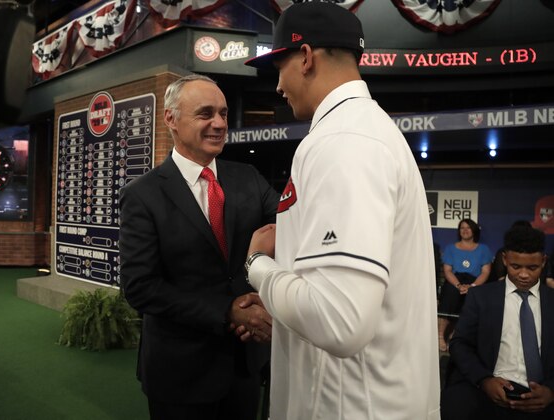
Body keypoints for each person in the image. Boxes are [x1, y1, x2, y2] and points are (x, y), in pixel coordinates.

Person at [243, 2, 440, 419]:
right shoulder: (366, 129)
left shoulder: (344, 139)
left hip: (352, 406)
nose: (277, 86)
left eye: (280, 66)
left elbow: (339, 322)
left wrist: (258, 265)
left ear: (306, 57)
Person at [119, 74, 280, 420]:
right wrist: (227, 311)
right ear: (171, 119)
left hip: (244, 365)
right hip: (179, 373)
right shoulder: (142, 196)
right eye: (206, 114)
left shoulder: (248, 177)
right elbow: (140, 287)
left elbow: (293, 226)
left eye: (223, 113)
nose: (220, 123)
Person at [441, 225, 554, 420]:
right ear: (504, 260)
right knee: (456, 404)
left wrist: (551, 391)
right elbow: (459, 344)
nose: (524, 275)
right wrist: (484, 380)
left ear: (543, 262)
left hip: (542, 392)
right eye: (516, 266)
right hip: (487, 385)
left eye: (532, 267)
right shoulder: (480, 297)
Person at [438, 218, 493, 351]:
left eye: (468, 228)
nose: (465, 230)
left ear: (474, 231)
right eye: (462, 228)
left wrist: (472, 286)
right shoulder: (451, 248)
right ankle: (440, 336)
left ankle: (454, 336)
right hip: (454, 280)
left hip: (474, 282)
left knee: (472, 297)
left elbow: (485, 272)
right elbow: (447, 271)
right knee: (450, 293)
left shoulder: (484, 249)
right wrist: (458, 285)